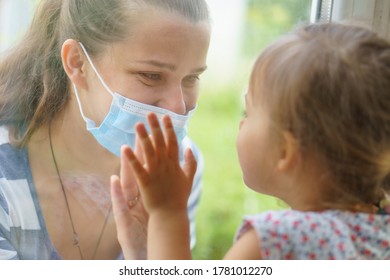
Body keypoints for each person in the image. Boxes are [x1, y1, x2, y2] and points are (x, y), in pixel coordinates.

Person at [111, 23, 390, 260]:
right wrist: (144, 251)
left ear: (285, 150)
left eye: (249, 112)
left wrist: (167, 214)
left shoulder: (275, 243)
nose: (242, 123)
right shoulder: (380, 230)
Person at [0, 0, 210, 260]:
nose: (178, 107)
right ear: (77, 63)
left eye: (191, 78)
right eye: (151, 75)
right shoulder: (5, 176)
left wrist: (148, 257)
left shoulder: (178, 166)